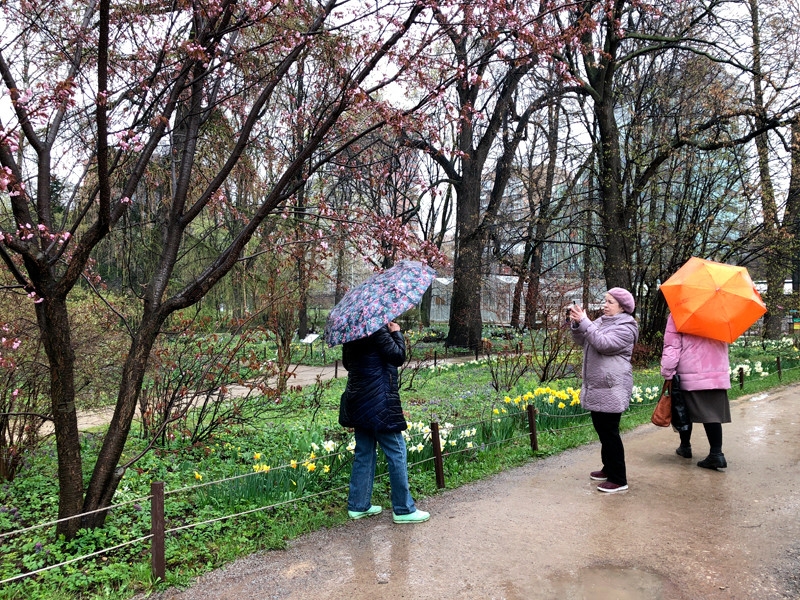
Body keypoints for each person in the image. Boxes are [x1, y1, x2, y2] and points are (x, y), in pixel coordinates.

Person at [338, 321, 430, 523]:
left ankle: (358, 505)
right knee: (397, 450)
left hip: (358, 400)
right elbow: (397, 356)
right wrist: (396, 333)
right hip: (379, 401)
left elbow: (347, 364)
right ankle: (404, 509)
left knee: (364, 452)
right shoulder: (377, 328)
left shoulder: (351, 331)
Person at [569, 288, 639, 493]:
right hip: (598, 385)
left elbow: (603, 344)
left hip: (612, 386)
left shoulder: (627, 327)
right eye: (605, 301)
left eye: (610, 302)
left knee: (610, 432)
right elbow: (583, 339)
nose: (605, 305)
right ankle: (608, 468)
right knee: (602, 429)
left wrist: (586, 322)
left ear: (622, 307)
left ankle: (619, 478)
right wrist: (577, 323)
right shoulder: (602, 321)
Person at [660, 314, 731, 470]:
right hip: (717, 371)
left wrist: (667, 371)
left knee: (683, 410)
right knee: (712, 413)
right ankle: (716, 453)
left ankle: (685, 446)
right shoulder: (720, 313)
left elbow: (672, 347)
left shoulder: (679, 314)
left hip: (691, 371)